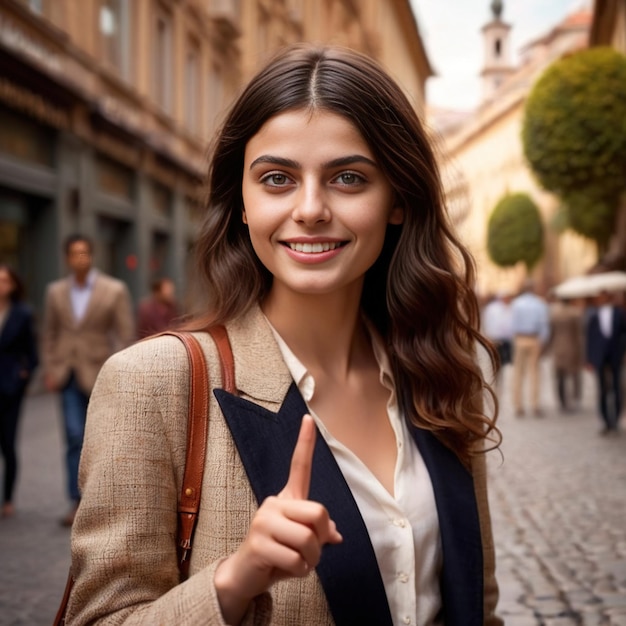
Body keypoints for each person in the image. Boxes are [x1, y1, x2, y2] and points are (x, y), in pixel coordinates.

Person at [66, 45, 503, 625]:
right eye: (277, 179)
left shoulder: (442, 372)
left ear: (397, 201)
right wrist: (233, 579)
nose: (311, 208)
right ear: (242, 204)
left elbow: (480, 604)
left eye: (349, 178)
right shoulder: (153, 384)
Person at [41, 234, 134, 527]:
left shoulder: (113, 289)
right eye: (73, 253)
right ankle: (76, 501)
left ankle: (101, 499)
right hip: (67, 372)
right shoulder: (55, 292)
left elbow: (125, 333)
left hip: (100, 373)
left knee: (101, 438)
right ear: (67, 258)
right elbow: (49, 332)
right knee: (72, 436)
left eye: (84, 253)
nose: (79, 258)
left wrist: (120, 370)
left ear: (91, 256)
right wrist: (50, 367)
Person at [0, 264, 38, 518]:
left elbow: (32, 355)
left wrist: (22, 378)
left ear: (13, 285)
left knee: (8, 444)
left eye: (4, 280)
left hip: (9, 389)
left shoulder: (23, 313)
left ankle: (8, 498)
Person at [585, 290, 626, 435]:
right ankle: (606, 421)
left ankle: (616, 420)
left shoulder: (619, 314)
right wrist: (589, 360)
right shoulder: (593, 315)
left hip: (615, 355)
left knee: (617, 388)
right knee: (602, 389)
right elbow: (589, 339)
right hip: (599, 357)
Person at [510, 278, 550, 417]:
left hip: (520, 339)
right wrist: (543, 342)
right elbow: (544, 325)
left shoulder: (516, 303)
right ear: (533, 289)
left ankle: (518, 405)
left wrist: (514, 340)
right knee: (535, 374)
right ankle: (535, 405)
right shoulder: (540, 303)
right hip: (534, 339)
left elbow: (512, 324)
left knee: (518, 374)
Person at [547, 297, 584, 413]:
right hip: (572, 347)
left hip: (558, 348)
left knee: (560, 376)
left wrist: (548, 348)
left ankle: (562, 401)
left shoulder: (554, 314)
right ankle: (575, 398)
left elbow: (551, 333)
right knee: (575, 375)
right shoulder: (575, 313)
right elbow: (578, 333)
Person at [481, 291, 513, 386]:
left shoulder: (508, 308)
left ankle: (499, 381)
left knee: (503, 363)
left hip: (505, 339)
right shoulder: (492, 309)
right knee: (494, 362)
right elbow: (487, 323)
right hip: (494, 338)